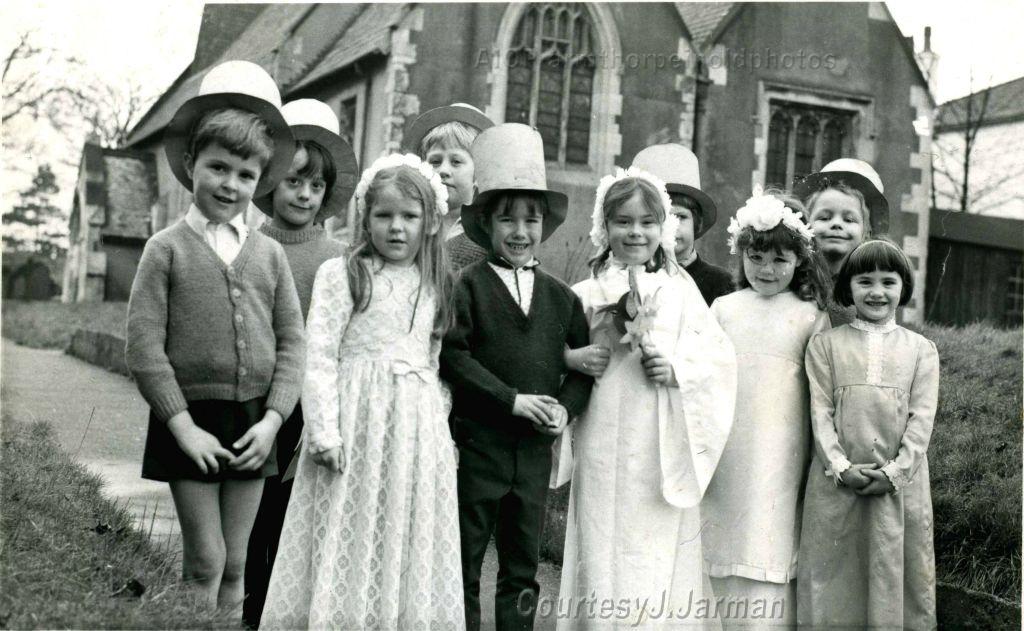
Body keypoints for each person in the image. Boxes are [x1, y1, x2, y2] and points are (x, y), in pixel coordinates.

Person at [125, 60, 304, 617]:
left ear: (260, 182)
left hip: (255, 425)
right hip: (190, 424)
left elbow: (293, 342)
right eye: (218, 168)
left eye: (245, 175)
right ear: (190, 165)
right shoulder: (166, 249)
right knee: (204, 560)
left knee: (236, 564)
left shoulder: (269, 254)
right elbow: (143, 347)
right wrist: (182, 427)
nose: (230, 184)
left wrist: (274, 420)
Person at [259, 153, 462, 629]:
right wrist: (324, 432)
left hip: (414, 430)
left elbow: (432, 364)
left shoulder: (435, 283)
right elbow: (321, 354)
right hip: (355, 422)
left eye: (410, 217)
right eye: (384, 215)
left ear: (430, 222)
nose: (397, 228)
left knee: (399, 533)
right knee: (347, 528)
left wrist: (438, 430)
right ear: (364, 218)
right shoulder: (343, 274)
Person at [553, 166, 736, 629]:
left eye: (647, 222)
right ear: (604, 227)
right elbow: (550, 351)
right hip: (602, 436)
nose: (636, 232)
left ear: (663, 229)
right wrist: (574, 358)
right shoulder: (584, 292)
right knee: (601, 537)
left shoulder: (680, 293)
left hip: (657, 440)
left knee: (652, 547)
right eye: (623, 222)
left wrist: (676, 371)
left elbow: (717, 361)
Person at [439, 123, 594, 631]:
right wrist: (509, 400)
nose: (520, 231)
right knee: (463, 563)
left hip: (531, 456)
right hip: (477, 448)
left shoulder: (561, 297)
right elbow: (453, 357)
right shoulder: (468, 287)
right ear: (486, 223)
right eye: (507, 219)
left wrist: (563, 410)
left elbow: (580, 368)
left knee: (522, 570)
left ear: (544, 225)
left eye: (531, 220)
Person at [242, 98, 356, 629]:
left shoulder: (337, 259)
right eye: (293, 183)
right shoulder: (249, 246)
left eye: (314, 187)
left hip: (308, 408)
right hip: (255, 401)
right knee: (252, 516)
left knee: (294, 516)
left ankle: (286, 612)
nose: (304, 195)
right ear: (269, 184)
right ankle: (246, 609)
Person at [701, 187, 831, 629]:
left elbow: (820, 392)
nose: (767, 270)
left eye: (780, 259)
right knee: (720, 533)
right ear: (741, 256)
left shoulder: (810, 315)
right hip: (728, 440)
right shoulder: (722, 309)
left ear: (800, 260)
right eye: (756, 258)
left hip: (781, 445)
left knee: (769, 534)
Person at [797, 239, 939, 630]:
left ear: (903, 288)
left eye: (888, 282)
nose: (877, 292)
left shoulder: (921, 350)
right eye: (865, 281)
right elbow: (820, 413)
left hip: (897, 488)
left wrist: (895, 473)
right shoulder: (825, 346)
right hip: (837, 484)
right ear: (849, 287)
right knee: (833, 578)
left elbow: (921, 419)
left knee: (890, 571)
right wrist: (840, 466)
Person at [633, 143, 733, 305]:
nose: (671, 227)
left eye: (680, 216)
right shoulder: (631, 276)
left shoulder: (720, 283)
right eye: (659, 218)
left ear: (697, 223)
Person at [793, 158, 887, 327]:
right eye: (824, 217)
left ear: (866, 232)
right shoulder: (793, 278)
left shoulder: (867, 289)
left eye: (849, 219)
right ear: (806, 224)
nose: (836, 224)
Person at [405, 102, 495, 271]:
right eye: (435, 161)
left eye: (456, 162)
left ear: (479, 174)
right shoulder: (410, 224)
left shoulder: (487, 236)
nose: (443, 170)